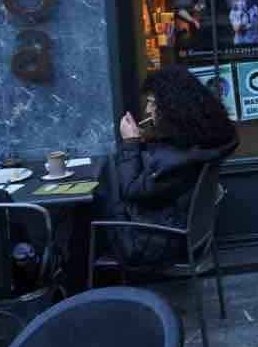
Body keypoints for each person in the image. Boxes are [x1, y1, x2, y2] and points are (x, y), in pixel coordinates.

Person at [93, 66, 238, 268]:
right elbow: (171, 152)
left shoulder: (178, 161)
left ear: (172, 107)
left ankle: (79, 288)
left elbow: (132, 190)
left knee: (97, 196)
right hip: (177, 231)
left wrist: (130, 143)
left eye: (152, 103)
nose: (147, 110)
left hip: (150, 242)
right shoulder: (202, 141)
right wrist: (148, 138)